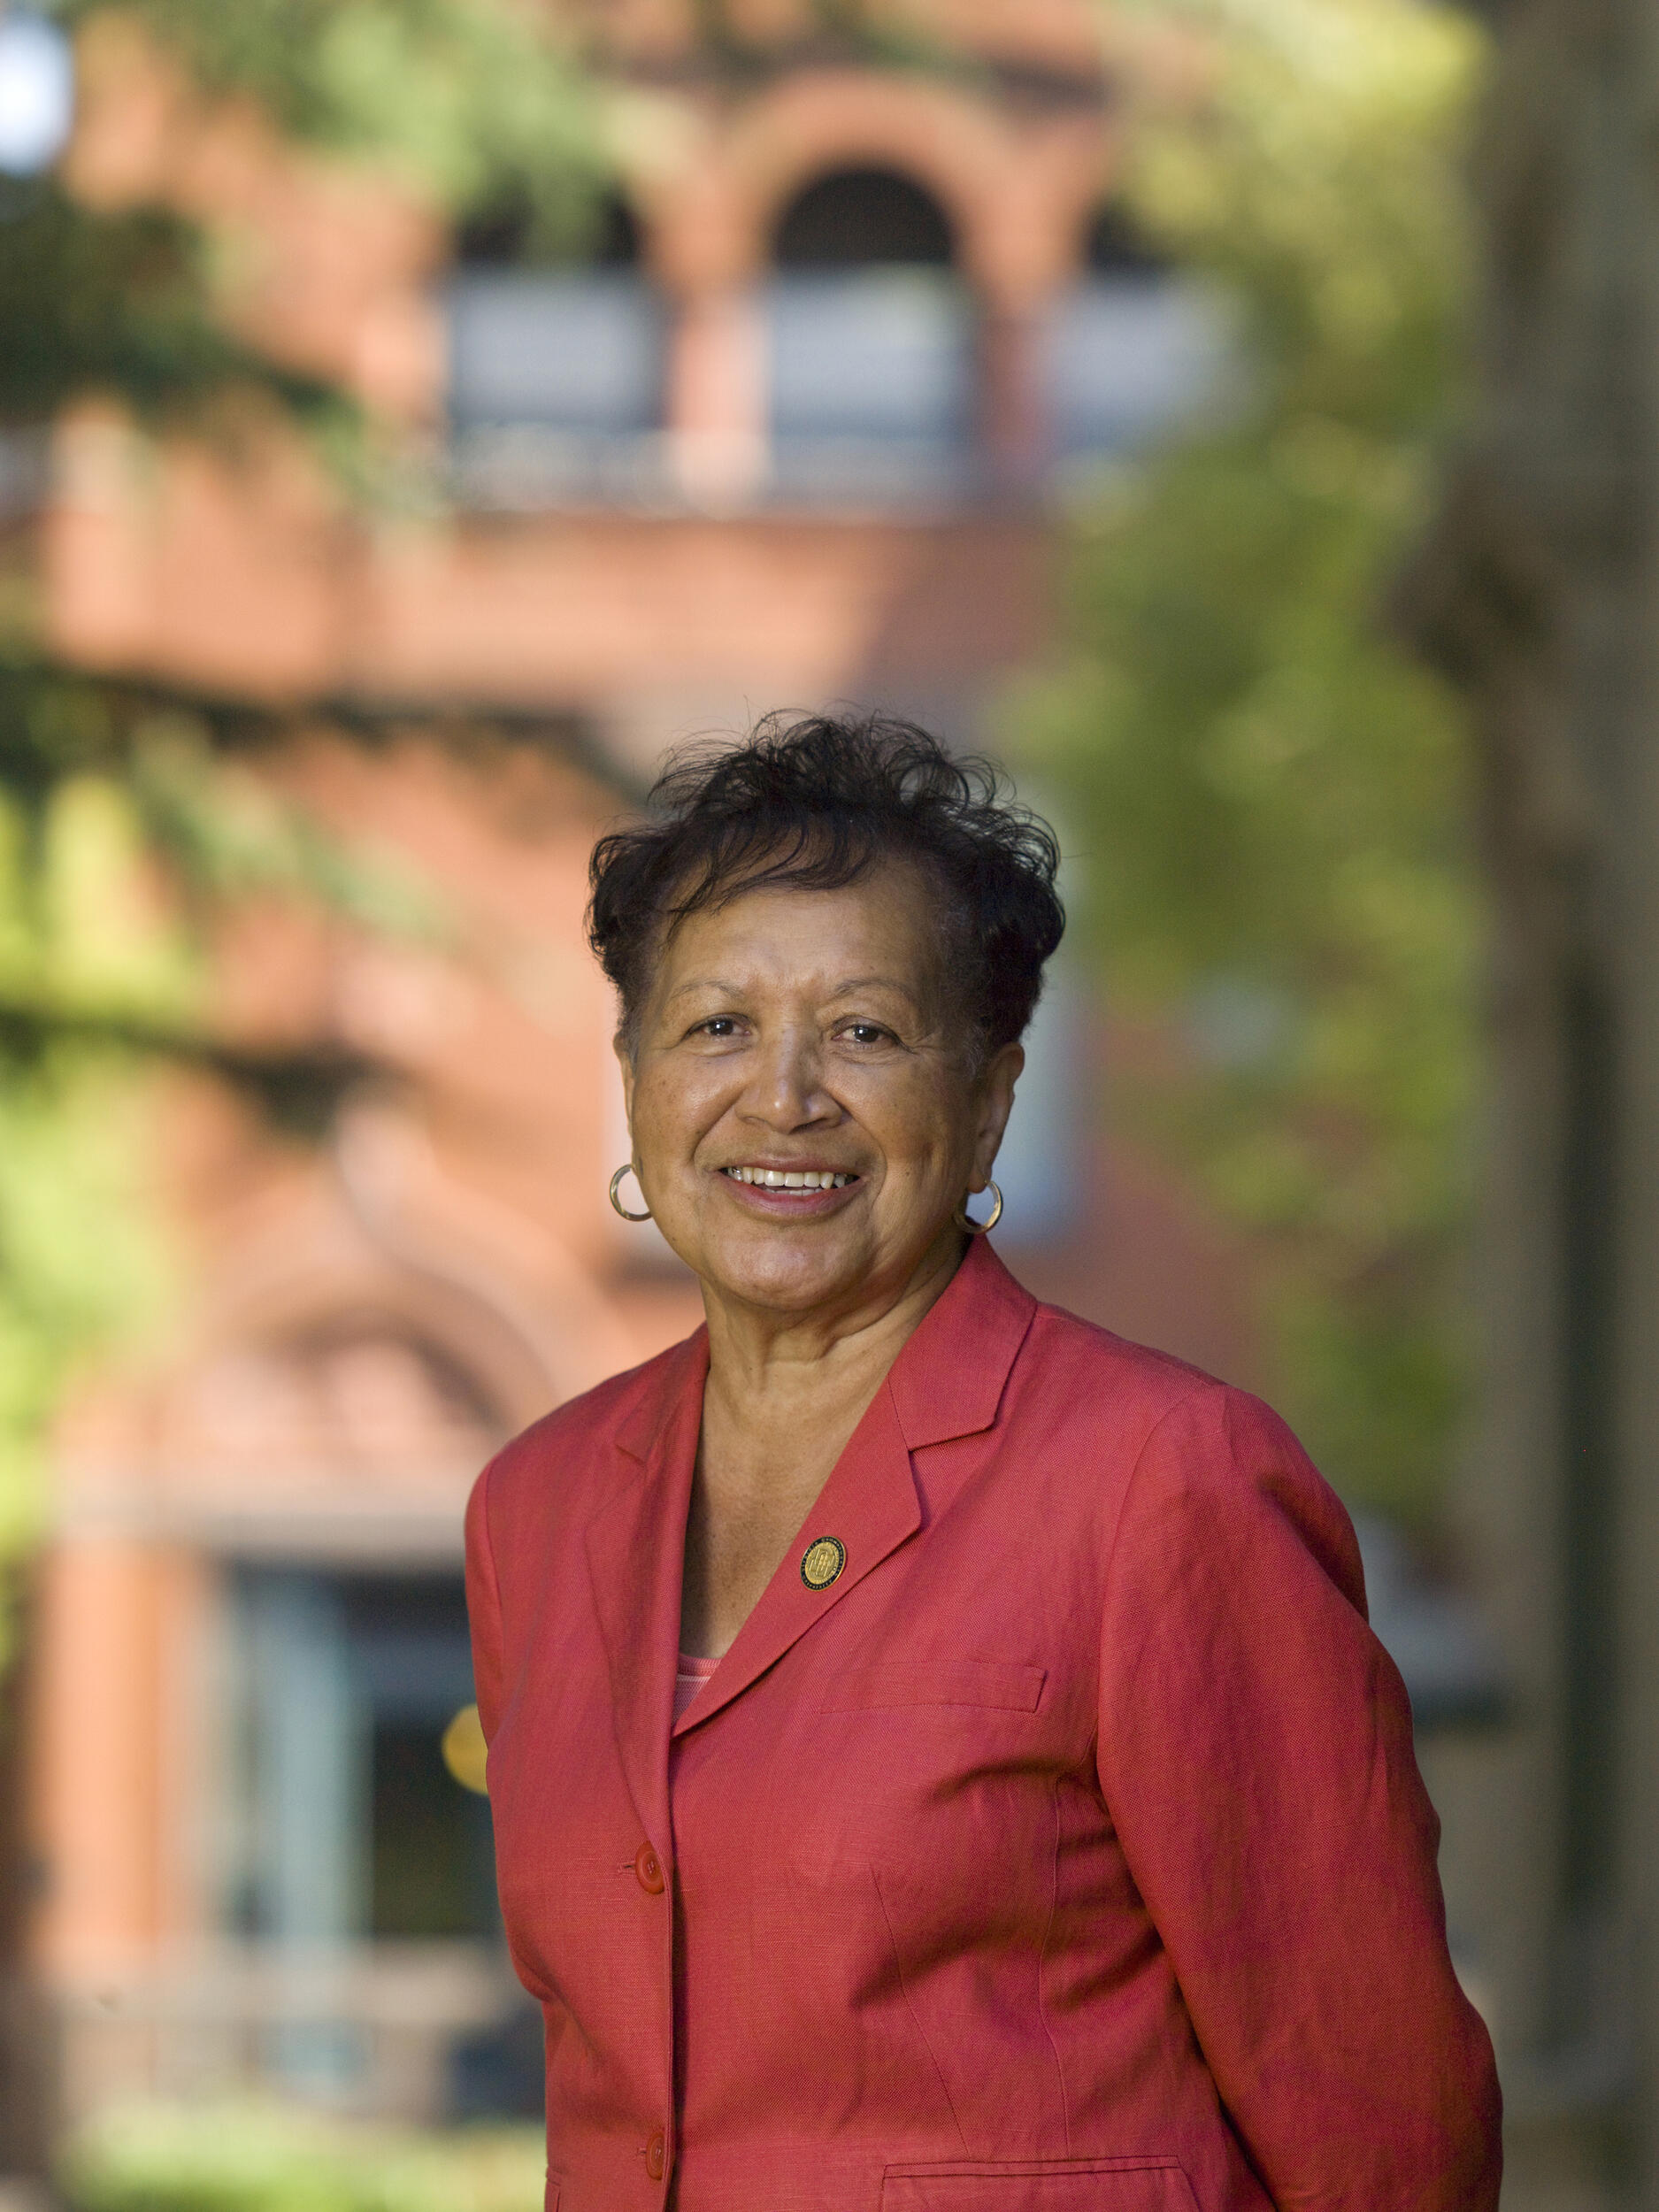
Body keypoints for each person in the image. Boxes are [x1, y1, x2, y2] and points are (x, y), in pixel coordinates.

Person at [465, 713, 1502, 2212]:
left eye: (867, 1031)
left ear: (991, 1093)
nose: (785, 1096)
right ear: (633, 1075)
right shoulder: (535, 1508)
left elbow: (1377, 2117)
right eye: (715, 1027)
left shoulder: (1162, 1480)